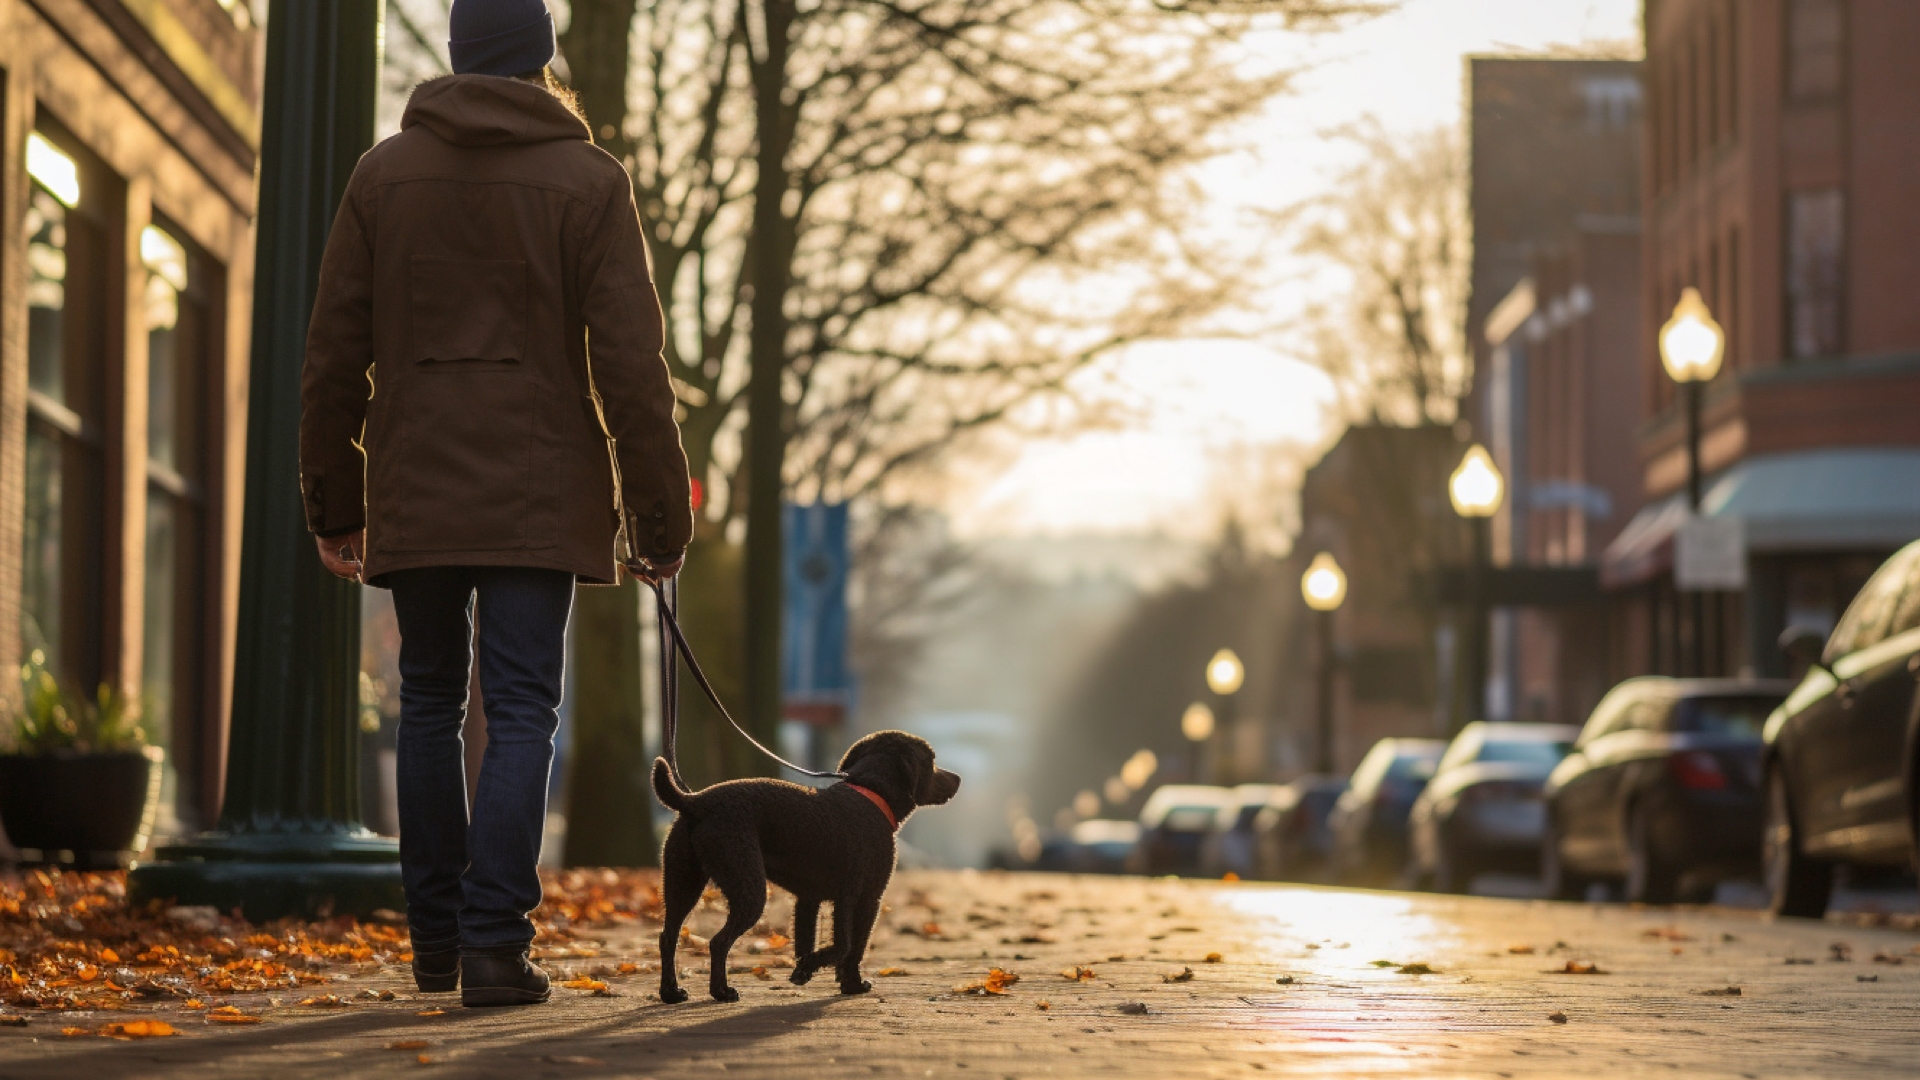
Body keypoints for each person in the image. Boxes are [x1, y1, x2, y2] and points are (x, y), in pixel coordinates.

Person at [298, 0, 691, 1009]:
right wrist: (657, 517)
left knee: (424, 706)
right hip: (538, 490)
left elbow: (334, 357)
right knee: (523, 710)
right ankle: (492, 948)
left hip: (417, 487)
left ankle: (433, 941)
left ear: (459, 58)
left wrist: (335, 500)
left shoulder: (383, 177)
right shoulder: (590, 182)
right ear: (541, 60)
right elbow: (633, 368)